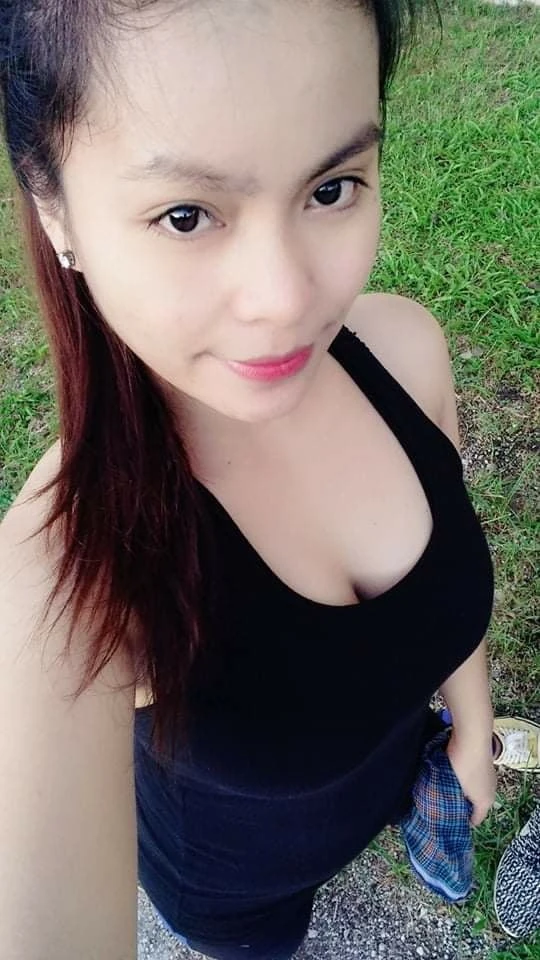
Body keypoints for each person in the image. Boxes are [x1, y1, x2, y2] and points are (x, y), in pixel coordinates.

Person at [0, 1, 498, 958]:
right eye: (186, 215)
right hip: (237, 898)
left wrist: (471, 725)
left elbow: (447, 580)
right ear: (54, 207)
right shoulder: (64, 577)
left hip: (389, 790)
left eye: (332, 188)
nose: (286, 300)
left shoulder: (406, 352)